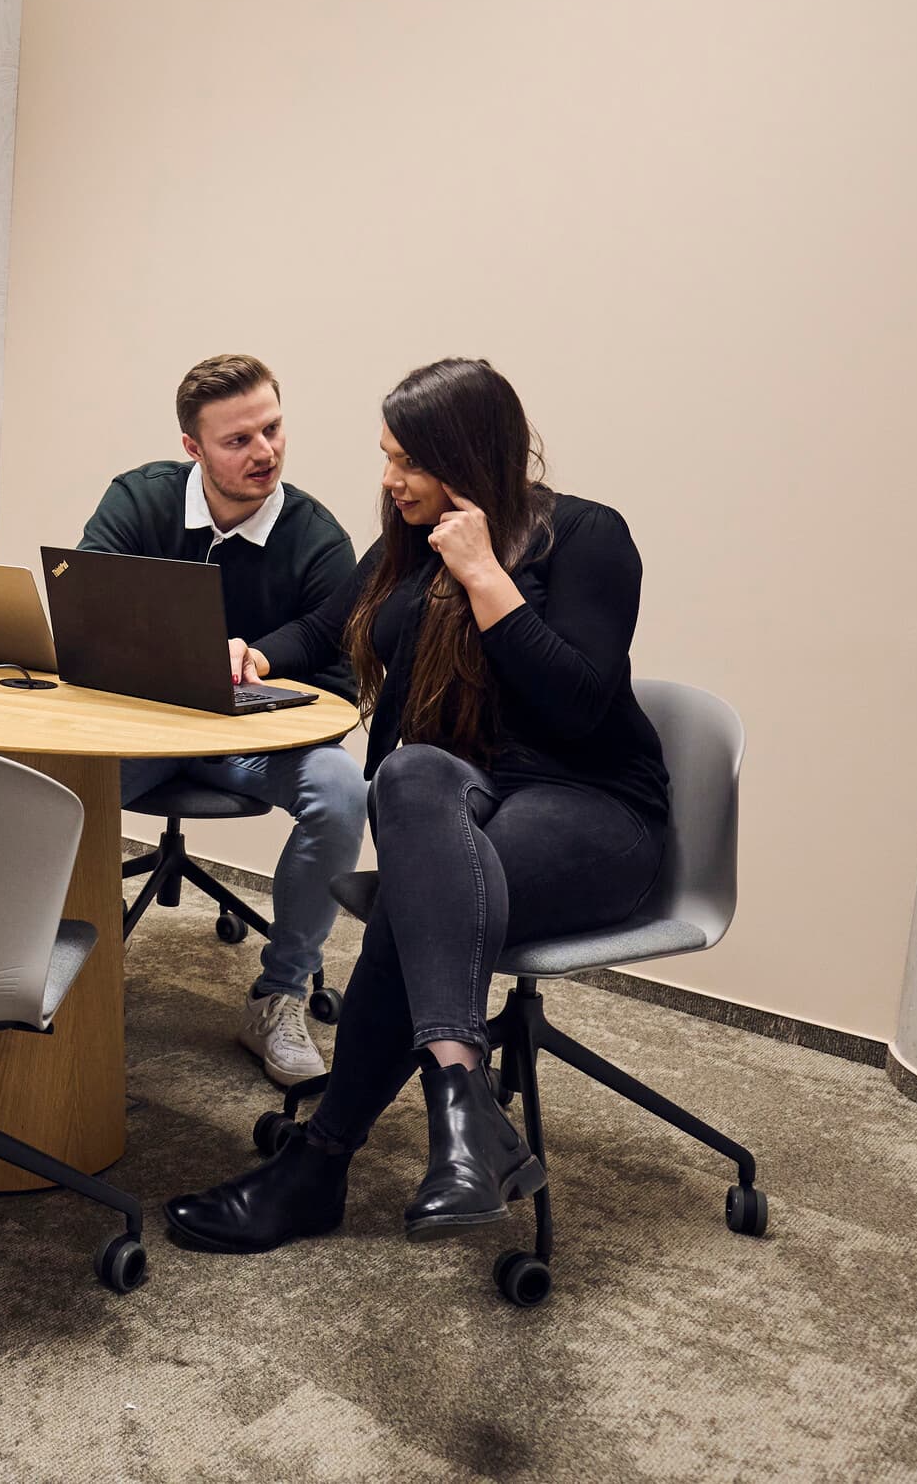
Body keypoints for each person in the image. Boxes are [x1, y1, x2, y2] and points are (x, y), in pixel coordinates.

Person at [163, 356, 672, 1255]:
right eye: (387, 457)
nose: (391, 480)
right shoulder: (409, 540)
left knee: (416, 901)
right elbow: (324, 627)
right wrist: (254, 655)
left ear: (468, 458)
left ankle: (320, 1165)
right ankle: (464, 1110)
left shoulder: (588, 536)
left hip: (592, 808)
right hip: (460, 803)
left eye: (409, 462)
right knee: (406, 775)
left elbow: (580, 705)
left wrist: (484, 576)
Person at [81, 354, 367, 1088]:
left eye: (272, 429)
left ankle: (279, 994)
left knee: (342, 790)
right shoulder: (139, 500)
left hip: (252, 745)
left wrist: (258, 678)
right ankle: (76, 959)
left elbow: (341, 679)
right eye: (238, 440)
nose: (264, 451)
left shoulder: (318, 539)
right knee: (46, 782)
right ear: (193, 448)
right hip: (146, 729)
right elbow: (87, 611)